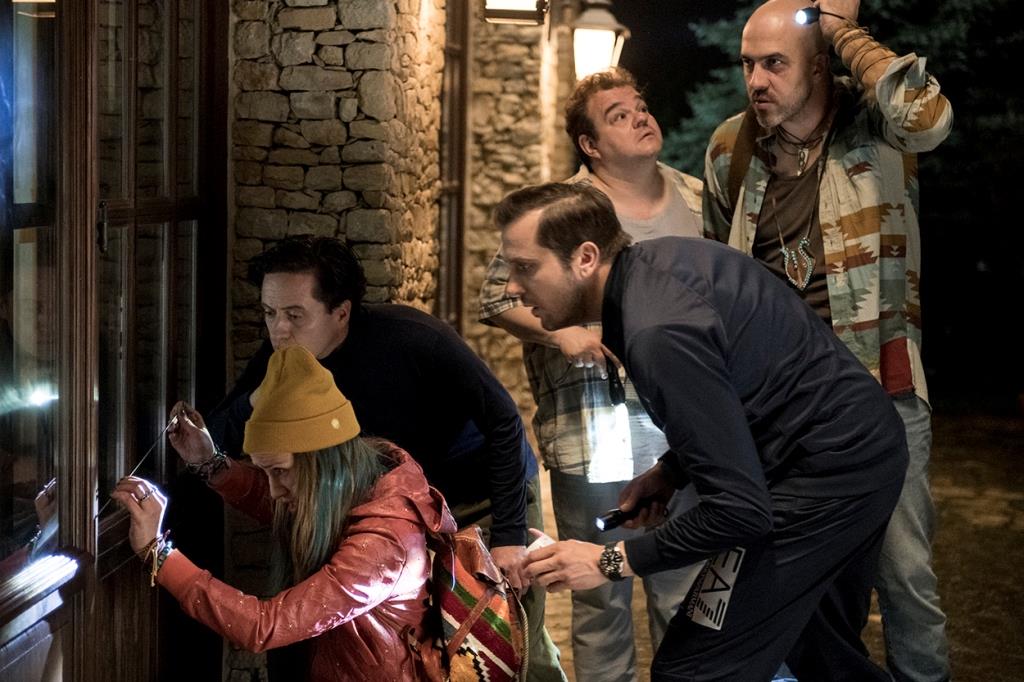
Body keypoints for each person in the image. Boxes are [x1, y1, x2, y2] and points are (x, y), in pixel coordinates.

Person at [496, 182, 908, 680]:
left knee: (694, 668)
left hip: (830, 472)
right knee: (821, 652)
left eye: (525, 268)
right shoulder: (654, 268)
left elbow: (740, 511)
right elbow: (745, 390)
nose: (511, 288)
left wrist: (611, 561)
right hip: (855, 449)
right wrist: (672, 470)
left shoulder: (657, 331)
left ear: (585, 258)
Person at [702, 1, 952, 679]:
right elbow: (720, 271)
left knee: (904, 576)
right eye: (748, 64)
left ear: (818, 67)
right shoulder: (732, 147)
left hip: (881, 390)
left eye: (774, 63)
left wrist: (840, 30)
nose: (756, 80)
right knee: (790, 580)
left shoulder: (874, 127)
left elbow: (928, 117)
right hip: (782, 407)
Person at [195, 236, 565, 681]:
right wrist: (257, 399)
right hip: (396, 506)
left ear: (341, 312)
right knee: (437, 642)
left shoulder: (414, 338)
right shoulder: (281, 357)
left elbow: (504, 421)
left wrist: (509, 536)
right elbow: (215, 436)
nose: (279, 330)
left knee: (504, 640)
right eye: (270, 313)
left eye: (295, 315)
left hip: (478, 493)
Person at [479, 68, 704, 682]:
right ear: (590, 144)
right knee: (599, 594)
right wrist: (559, 333)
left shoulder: (697, 196)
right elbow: (496, 296)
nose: (639, 117)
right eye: (617, 115)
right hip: (594, 426)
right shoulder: (561, 208)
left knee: (685, 588)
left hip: (682, 424)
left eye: (640, 106)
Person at [113, 345, 457, 680]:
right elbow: (289, 502)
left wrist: (158, 553)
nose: (275, 490)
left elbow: (264, 625)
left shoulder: (383, 547)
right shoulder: (358, 478)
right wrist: (210, 462)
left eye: (279, 471)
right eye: (266, 472)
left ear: (322, 465)